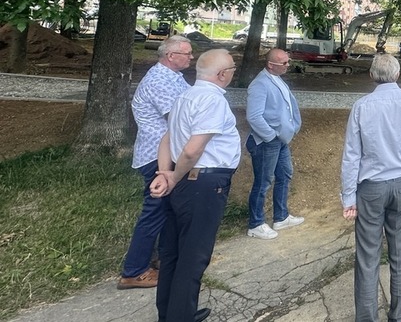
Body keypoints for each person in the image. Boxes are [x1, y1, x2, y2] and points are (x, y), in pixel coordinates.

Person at [341, 53, 401, 322]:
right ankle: (400, 316)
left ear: (371, 76)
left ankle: (367, 317)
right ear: (396, 75)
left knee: (367, 257)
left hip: (370, 188)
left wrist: (349, 197)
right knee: (400, 252)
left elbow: (351, 156)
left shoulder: (361, 106)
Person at [151, 49, 241, 322]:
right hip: (202, 182)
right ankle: (180, 317)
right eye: (232, 69)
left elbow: (167, 138)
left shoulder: (185, 96)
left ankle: (173, 312)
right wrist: (174, 177)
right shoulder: (211, 101)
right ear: (223, 74)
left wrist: (165, 173)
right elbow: (193, 150)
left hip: (184, 179)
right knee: (194, 256)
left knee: (174, 253)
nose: (232, 73)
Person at [118, 35, 193, 290]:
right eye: (187, 53)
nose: (191, 57)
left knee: (169, 211)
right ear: (171, 56)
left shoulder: (172, 76)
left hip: (166, 153)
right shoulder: (159, 80)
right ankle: (134, 271)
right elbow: (179, 119)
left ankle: (164, 258)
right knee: (155, 211)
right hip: (156, 156)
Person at [246, 48, 304, 240]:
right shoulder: (260, 85)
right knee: (263, 182)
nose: (288, 65)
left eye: (288, 61)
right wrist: (271, 136)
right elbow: (254, 116)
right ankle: (255, 223)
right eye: (284, 63)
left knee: (284, 175)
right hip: (266, 142)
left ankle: (281, 217)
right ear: (271, 64)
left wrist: (292, 127)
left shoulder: (276, 79)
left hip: (279, 141)